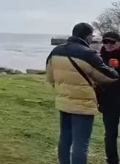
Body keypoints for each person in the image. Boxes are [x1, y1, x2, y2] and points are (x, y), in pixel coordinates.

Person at [46, 22, 119, 164]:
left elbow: (50, 77)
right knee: (80, 144)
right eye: (92, 36)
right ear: (87, 36)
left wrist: (63, 89)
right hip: (83, 104)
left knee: (65, 139)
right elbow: (109, 76)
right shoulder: (87, 54)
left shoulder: (55, 51)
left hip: (64, 101)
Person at [98, 31, 120, 164]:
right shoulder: (99, 58)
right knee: (110, 134)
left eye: (113, 42)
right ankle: (112, 161)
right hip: (108, 102)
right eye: (106, 41)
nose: (109, 45)